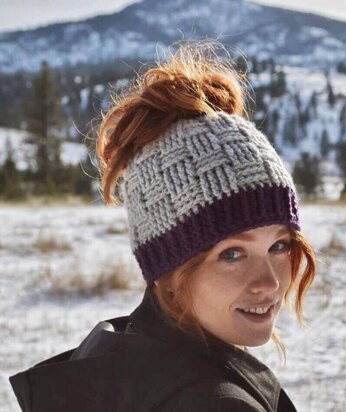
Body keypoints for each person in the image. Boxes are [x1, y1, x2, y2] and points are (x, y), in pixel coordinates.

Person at [9, 41, 316, 411]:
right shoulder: (214, 402)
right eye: (232, 254)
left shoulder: (121, 362)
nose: (270, 283)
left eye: (279, 246)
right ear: (166, 270)